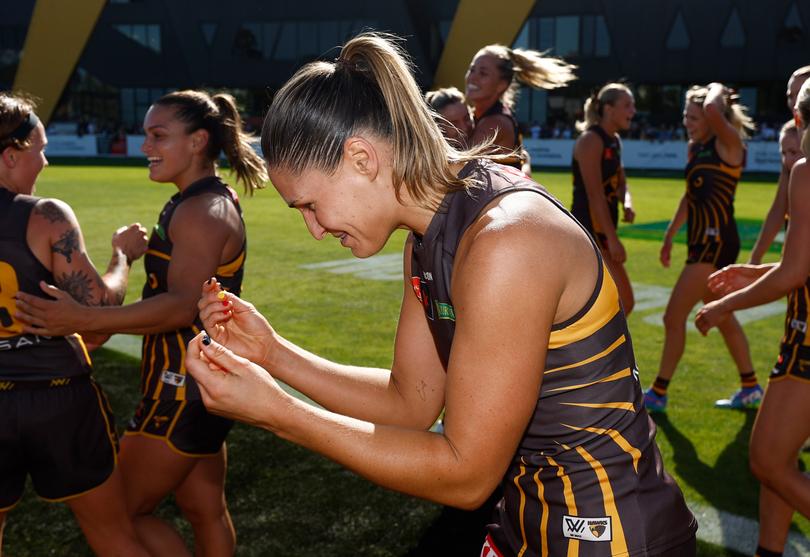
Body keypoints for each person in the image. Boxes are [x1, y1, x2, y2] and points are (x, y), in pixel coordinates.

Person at [183, 33, 696, 556]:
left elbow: (466, 475)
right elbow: (410, 403)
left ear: (362, 158)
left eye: (310, 205)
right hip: (529, 526)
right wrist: (273, 353)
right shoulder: (429, 236)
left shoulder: (506, 241)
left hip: (610, 534)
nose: (314, 229)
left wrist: (279, 412)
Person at [14, 89, 267, 556]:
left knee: (122, 515)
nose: (144, 145)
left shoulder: (199, 211)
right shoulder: (199, 201)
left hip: (178, 389)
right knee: (204, 508)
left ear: (197, 142)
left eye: (157, 135)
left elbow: (180, 306)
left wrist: (87, 316)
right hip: (204, 384)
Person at [0, 93, 149, 556]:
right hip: (58, 395)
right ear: (9, 156)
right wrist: (122, 257)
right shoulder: (45, 216)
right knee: (114, 536)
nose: (44, 161)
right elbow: (98, 316)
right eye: (38, 149)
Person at [695, 79, 810, 557]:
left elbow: (796, 271)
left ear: (800, 119)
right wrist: (756, 272)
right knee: (779, 459)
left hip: (806, 341)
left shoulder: (806, 171)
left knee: (766, 461)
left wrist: (724, 306)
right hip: (800, 332)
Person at [642, 82, 761, 413]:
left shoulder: (730, 144)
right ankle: (751, 386)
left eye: (693, 115)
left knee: (672, 316)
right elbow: (690, 196)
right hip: (702, 242)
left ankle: (659, 392)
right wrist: (670, 234)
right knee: (722, 316)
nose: (686, 121)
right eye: (685, 115)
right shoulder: (697, 148)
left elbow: (712, 106)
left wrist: (715, 88)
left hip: (715, 242)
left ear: (713, 117)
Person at [571, 83, 637, 314]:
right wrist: (612, 239)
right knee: (624, 302)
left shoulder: (614, 140)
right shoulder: (591, 141)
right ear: (608, 109)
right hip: (590, 232)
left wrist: (626, 201)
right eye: (627, 105)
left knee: (603, 307)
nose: (633, 111)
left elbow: (620, 179)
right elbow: (594, 195)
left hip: (601, 231)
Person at [465, 43, 576, 169]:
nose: (472, 77)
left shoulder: (495, 123)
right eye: (471, 69)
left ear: (501, 85)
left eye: (483, 73)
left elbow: (457, 165)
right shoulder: (480, 115)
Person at [748, 65, 810, 265]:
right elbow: (779, 207)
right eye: (790, 96)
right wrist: (755, 258)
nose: (794, 103)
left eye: (800, 94)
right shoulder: (792, 137)